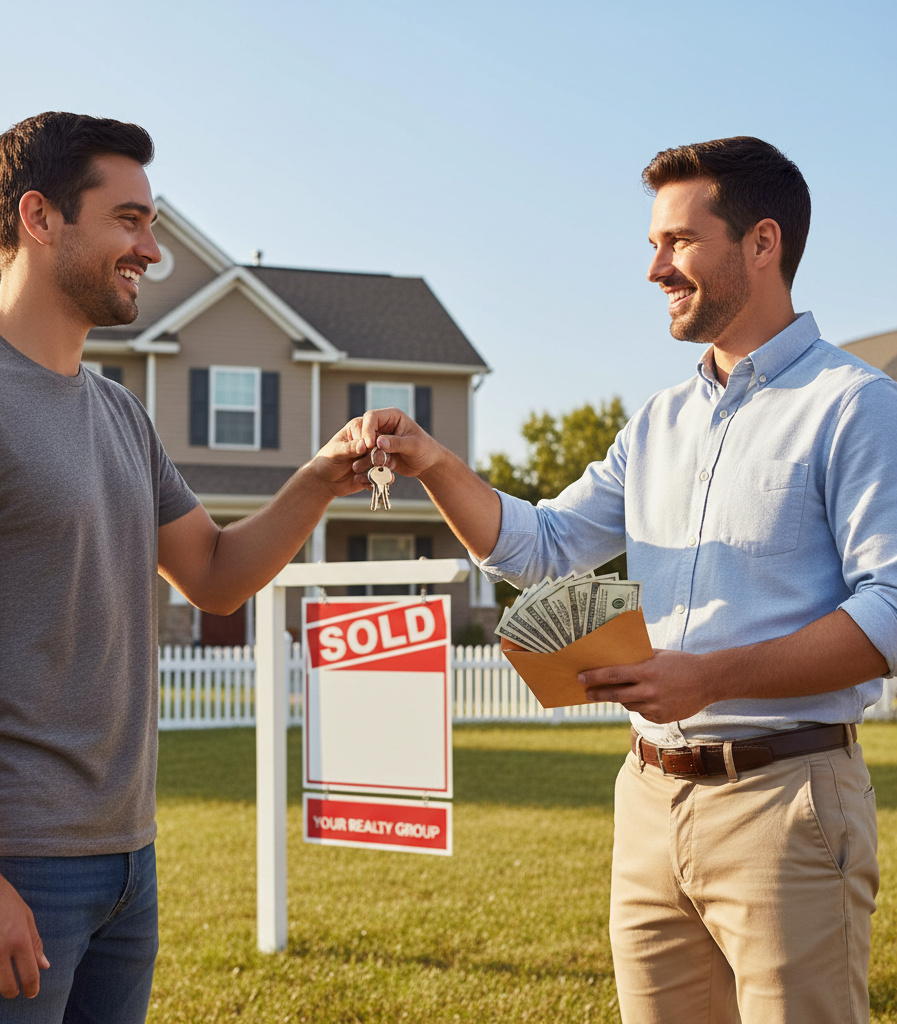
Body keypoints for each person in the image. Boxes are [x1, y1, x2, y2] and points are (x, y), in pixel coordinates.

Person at [354, 137, 896, 1023]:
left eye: (679, 241)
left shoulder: (856, 405)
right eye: (654, 244)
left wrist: (708, 677)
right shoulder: (657, 423)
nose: (655, 268)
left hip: (786, 804)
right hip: (648, 801)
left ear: (763, 243)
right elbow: (542, 545)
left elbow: (891, 610)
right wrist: (433, 463)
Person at [0, 111, 372, 1022]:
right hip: (6, 861)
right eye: (130, 221)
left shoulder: (118, 412)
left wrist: (320, 478)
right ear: (40, 217)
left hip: (125, 864)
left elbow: (214, 574)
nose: (152, 249)